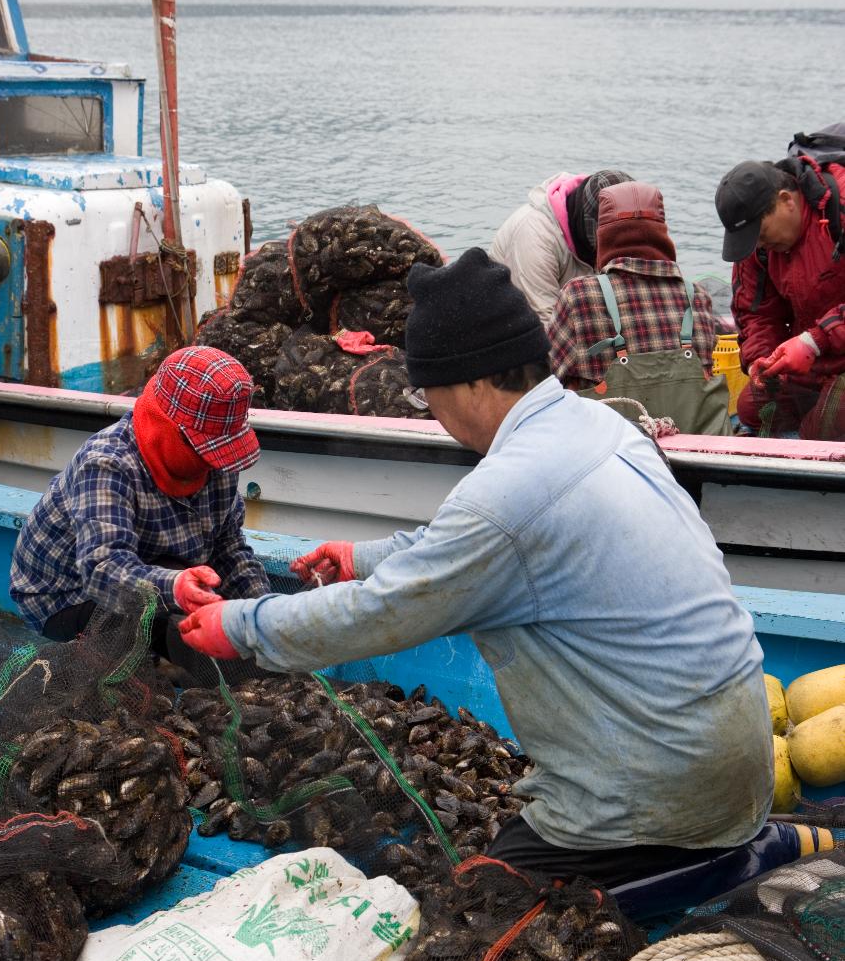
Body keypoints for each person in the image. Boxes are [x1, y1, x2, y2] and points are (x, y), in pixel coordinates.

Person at [179, 248, 773, 888]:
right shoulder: (600, 427)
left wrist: (240, 626)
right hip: (736, 765)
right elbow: (467, 548)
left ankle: (674, 865)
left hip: (661, 800)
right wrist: (361, 557)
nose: (431, 411)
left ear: (467, 382)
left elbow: (381, 615)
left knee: (472, 905)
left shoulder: (509, 492)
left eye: (425, 392)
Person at [10, 345, 271, 660]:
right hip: (67, 595)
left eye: (221, 450)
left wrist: (264, 612)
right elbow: (103, 570)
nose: (215, 463)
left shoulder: (219, 464)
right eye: (206, 450)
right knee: (182, 632)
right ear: (166, 427)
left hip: (160, 566)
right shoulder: (107, 463)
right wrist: (175, 587)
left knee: (237, 620)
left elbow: (228, 549)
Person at [547, 181, 729, 435]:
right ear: (663, 235)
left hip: (612, 460)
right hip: (695, 460)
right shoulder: (697, 296)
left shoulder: (579, 295)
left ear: (603, 237)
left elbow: (546, 381)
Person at [716, 158, 845, 439]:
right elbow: (755, 312)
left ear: (786, 200)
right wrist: (761, 360)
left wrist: (815, 340)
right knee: (753, 406)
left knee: (826, 424)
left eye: (761, 235)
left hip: (825, 351)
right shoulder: (758, 245)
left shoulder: (840, 210)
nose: (759, 245)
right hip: (816, 363)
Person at [489, 167, 632, 325]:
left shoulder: (623, 220)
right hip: (514, 328)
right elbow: (543, 325)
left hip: (575, 322)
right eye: (610, 237)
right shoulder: (536, 236)